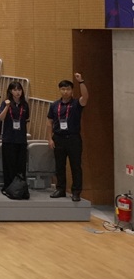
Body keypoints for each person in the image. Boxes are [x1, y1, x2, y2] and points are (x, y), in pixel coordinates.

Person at [49, 73, 89, 201]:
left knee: (75, 166)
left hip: (73, 138)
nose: (65, 91)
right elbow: (49, 122)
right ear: (60, 90)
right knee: (59, 165)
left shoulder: (76, 103)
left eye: (68, 89)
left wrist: (81, 81)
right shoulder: (54, 105)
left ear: (72, 91)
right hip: (58, 138)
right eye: (63, 89)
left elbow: (85, 97)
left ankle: (76, 192)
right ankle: (60, 189)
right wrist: (49, 138)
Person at [0, 81, 29, 193]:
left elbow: (26, 119)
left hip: (21, 139)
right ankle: (8, 187)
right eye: (15, 90)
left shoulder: (25, 105)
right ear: (10, 91)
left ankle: (20, 188)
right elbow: (1, 118)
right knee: (9, 165)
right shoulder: (5, 103)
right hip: (9, 138)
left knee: (21, 166)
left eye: (19, 90)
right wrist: (7, 106)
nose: (17, 92)